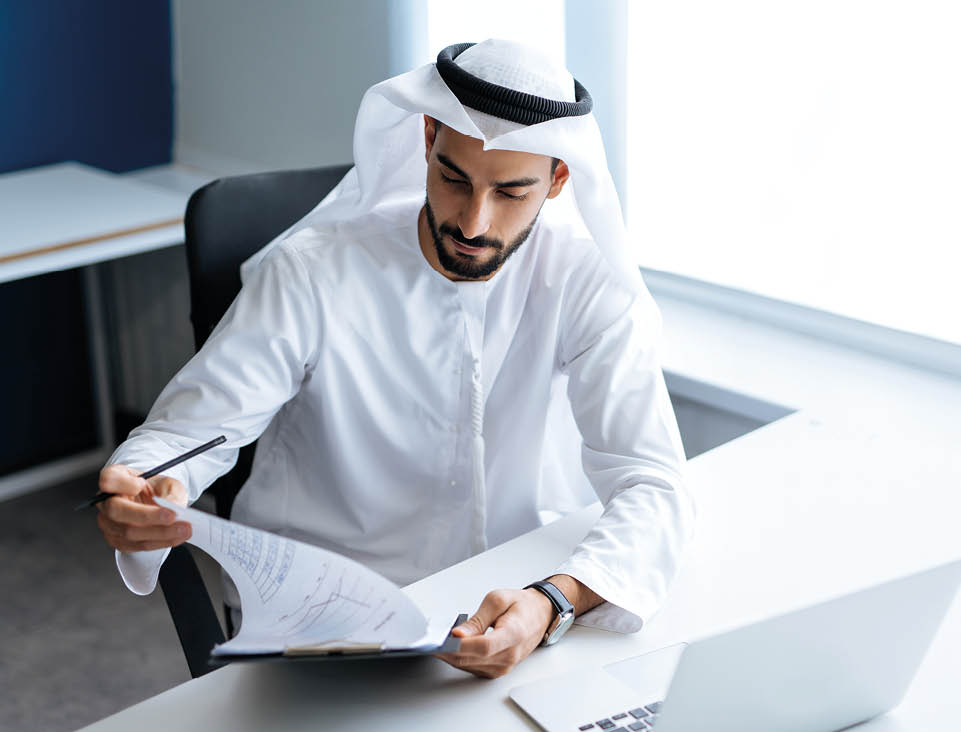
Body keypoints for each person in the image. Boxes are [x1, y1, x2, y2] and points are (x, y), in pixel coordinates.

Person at [94, 39, 695, 679]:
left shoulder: (585, 279)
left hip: (506, 609)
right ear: (428, 138)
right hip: (323, 618)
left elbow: (652, 481)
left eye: (511, 193)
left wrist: (554, 600)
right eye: (454, 179)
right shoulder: (313, 272)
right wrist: (144, 484)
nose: (471, 222)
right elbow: (188, 432)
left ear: (558, 180)